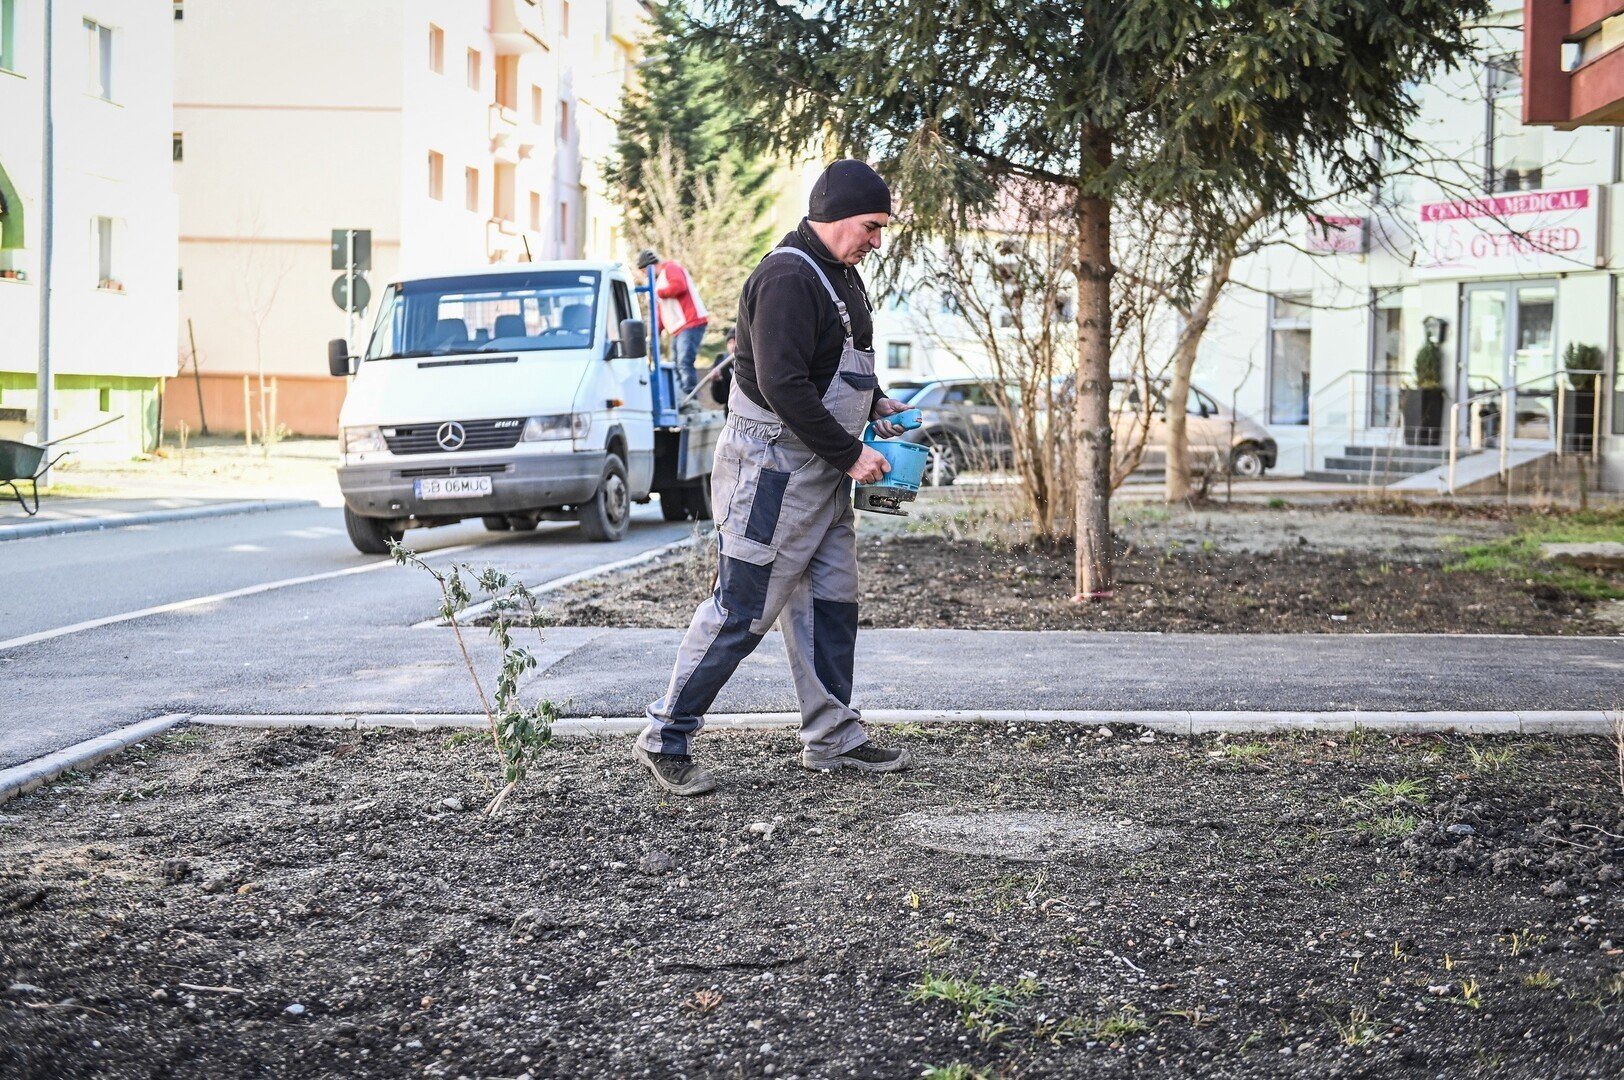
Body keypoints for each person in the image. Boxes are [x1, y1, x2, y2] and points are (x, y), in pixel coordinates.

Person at [634, 159, 915, 796]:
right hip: (769, 473)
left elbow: (830, 365)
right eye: (871, 226)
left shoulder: (841, 275)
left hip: (821, 474)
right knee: (741, 609)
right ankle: (665, 735)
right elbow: (783, 385)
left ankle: (833, 737)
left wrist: (876, 404)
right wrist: (850, 454)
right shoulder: (788, 276)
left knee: (831, 602)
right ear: (837, 216)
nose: (877, 241)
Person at [652, 256, 709, 396]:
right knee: (675, 363)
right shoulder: (659, 282)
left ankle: (690, 395)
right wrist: (655, 332)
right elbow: (661, 311)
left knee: (684, 361)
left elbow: (679, 285)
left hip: (690, 321)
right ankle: (680, 395)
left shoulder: (670, 268)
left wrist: (658, 293)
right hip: (678, 327)